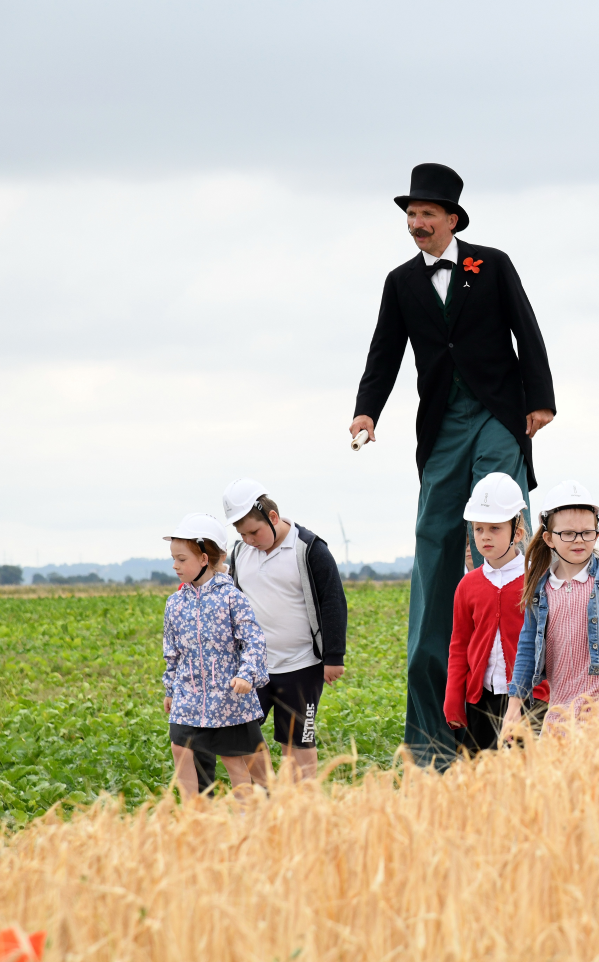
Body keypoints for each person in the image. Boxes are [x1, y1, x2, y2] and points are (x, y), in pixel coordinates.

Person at [349, 163, 557, 766]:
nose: (416, 224)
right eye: (411, 216)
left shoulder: (490, 264)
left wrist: (540, 400)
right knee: (434, 538)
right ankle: (434, 725)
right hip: (442, 423)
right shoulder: (400, 282)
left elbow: (527, 331)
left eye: (426, 216)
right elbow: (384, 350)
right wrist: (367, 412)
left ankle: (520, 693)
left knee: (494, 510)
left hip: (497, 410)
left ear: (452, 220)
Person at [503, 481, 599, 734]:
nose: (579, 540)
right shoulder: (540, 591)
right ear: (549, 538)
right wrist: (514, 705)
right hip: (561, 705)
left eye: (588, 532)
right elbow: (527, 649)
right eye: (568, 533)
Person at [221, 480, 347, 781]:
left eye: (254, 532)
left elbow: (332, 601)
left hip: (301, 665)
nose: (249, 540)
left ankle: (301, 809)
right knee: (240, 733)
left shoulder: (309, 548)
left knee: (297, 741)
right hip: (254, 668)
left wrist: (334, 656)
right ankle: (264, 796)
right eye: (242, 534)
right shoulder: (240, 554)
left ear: (273, 517)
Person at [161, 514, 270, 799]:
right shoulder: (174, 603)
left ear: (204, 559)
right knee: (180, 749)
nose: (175, 566)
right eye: (173, 558)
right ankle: (195, 820)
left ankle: (249, 820)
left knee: (235, 760)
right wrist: (171, 688)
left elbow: (254, 641)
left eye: (182, 559)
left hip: (228, 697)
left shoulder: (231, 597)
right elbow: (172, 652)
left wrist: (246, 675)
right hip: (189, 696)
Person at [444, 473, 548, 752]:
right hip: (481, 700)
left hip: (530, 700)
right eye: (478, 529)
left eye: (495, 528)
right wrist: (454, 696)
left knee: (524, 776)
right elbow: (459, 645)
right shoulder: (468, 585)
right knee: (483, 778)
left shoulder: (536, 581)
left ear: (518, 532)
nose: (485, 536)